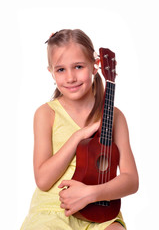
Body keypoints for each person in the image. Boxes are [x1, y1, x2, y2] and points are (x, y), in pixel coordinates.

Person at [20, 29, 139, 230]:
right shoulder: (46, 114)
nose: (71, 77)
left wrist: (92, 193)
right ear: (51, 72)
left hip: (101, 210)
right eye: (61, 70)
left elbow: (131, 180)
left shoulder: (114, 116)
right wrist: (77, 137)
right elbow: (43, 180)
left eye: (78, 66)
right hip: (54, 210)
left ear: (95, 66)